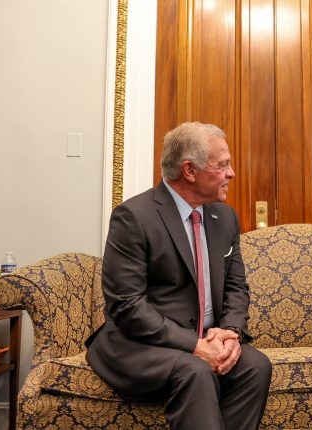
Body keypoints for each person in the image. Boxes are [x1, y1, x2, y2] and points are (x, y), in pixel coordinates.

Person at [86, 122, 272, 429]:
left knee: (256, 366)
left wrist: (230, 331)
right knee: (196, 371)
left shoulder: (224, 217)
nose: (231, 173)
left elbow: (236, 286)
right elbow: (127, 305)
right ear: (189, 170)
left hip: (205, 339)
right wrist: (195, 346)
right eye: (222, 165)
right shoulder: (134, 217)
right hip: (141, 345)